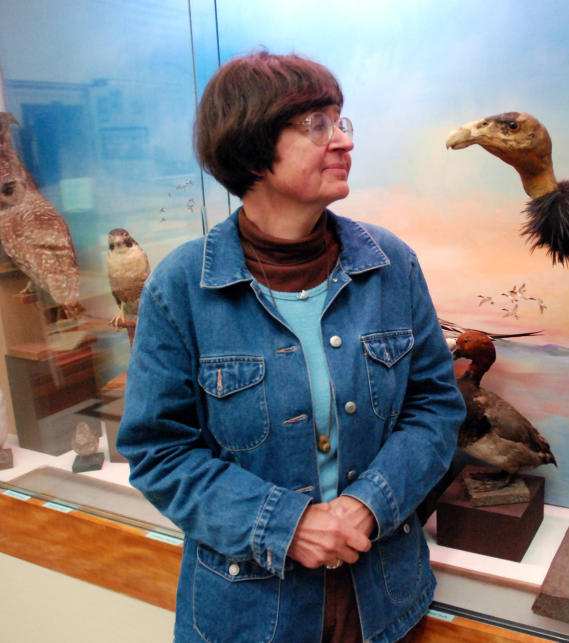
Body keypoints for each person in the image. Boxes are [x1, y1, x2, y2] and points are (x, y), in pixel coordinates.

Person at [116, 51, 465, 643]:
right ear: (251, 146)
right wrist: (287, 525)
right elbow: (160, 452)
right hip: (247, 616)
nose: (342, 141)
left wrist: (368, 504)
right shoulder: (181, 288)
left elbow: (435, 408)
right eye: (315, 124)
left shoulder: (390, 265)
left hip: (385, 603)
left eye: (340, 120)